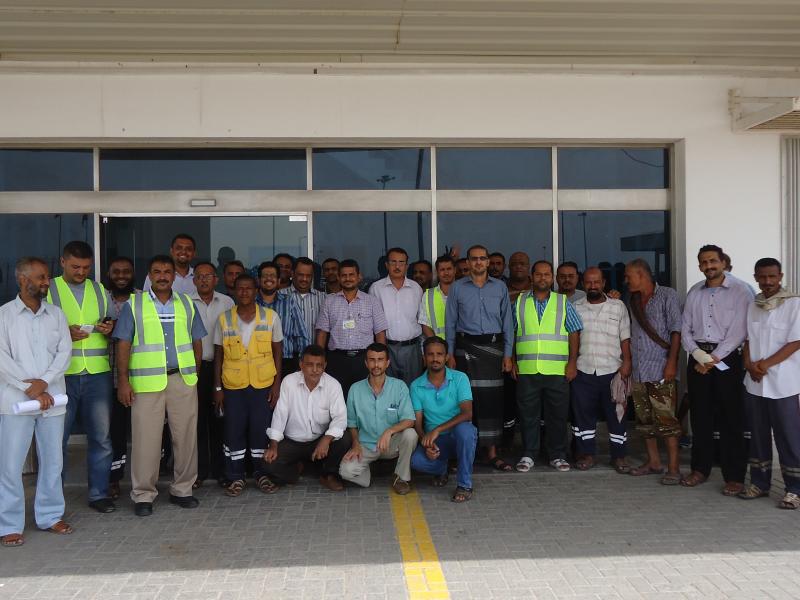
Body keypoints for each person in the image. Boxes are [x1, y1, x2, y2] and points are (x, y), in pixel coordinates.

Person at [115, 254, 206, 517]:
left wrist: (194, 375)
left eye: (168, 272)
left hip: (182, 380)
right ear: (149, 275)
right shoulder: (135, 304)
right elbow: (123, 343)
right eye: (157, 272)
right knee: (146, 440)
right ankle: (144, 494)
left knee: (186, 437)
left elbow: (196, 342)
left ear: (174, 276)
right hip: (146, 383)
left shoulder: (187, 303)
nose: (163, 276)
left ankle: (183, 489)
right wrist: (123, 381)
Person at [0, 257, 73, 547]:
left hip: (53, 397)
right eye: (41, 278)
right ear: (22, 279)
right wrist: (28, 387)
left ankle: (50, 515)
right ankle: (9, 524)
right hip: (15, 401)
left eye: (47, 278)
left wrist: (44, 383)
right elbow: (2, 359)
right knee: (11, 464)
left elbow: (64, 352)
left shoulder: (56, 315)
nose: (46, 282)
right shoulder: (4, 316)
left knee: (53, 461)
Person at [46, 240, 116, 513]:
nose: (81, 272)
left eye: (86, 267)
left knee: (101, 438)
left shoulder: (99, 289)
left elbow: (110, 320)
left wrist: (107, 327)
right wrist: (64, 332)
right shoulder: (49, 289)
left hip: (97, 373)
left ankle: (98, 494)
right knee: (57, 440)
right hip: (62, 375)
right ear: (62, 262)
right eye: (75, 266)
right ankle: (53, 499)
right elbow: (38, 328)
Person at [681, 244, 752, 494]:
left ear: (723, 262)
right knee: (700, 417)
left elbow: (740, 330)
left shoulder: (741, 291)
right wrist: (700, 356)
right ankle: (700, 469)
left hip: (728, 360)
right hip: (698, 358)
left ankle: (734, 476)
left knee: (731, 418)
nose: (708, 266)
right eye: (703, 262)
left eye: (713, 261)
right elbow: (685, 328)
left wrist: (714, 358)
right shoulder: (695, 292)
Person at [445, 244, 514, 471]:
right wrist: (450, 353)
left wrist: (507, 354)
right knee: (466, 400)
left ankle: (492, 453)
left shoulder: (500, 287)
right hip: (465, 349)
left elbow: (507, 324)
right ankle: (466, 453)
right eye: (474, 259)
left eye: (482, 258)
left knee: (492, 402)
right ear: (468, 261)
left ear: (487, 261)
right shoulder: (457, 287)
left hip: (493, 351)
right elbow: (450, 323)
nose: (478, 262)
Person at [214, 274, 282, 497]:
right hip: (233, 385)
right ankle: (236, 477)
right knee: (233, 431)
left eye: (249, 288)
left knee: (260, 430)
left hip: (262, 384)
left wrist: (276, 384)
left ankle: (262, 474)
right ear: (233, 291)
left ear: (256, 291)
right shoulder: (224, 319)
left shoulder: (271, 317)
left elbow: (277, 352)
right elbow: (218, 355)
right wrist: (217, 388)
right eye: (240, 289)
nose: (244, 292)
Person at [739, 258, 800, 509]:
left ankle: (794, 489)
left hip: (783, 384)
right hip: (754, 383)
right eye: (762, 277)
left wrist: (764, 365)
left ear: (780, 276)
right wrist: (748, 365)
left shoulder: (793, 304)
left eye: (772, 277)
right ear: (755, 277)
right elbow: (748, 341)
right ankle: (760, 483)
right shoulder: (754, 305)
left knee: (788, 436)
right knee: (757, 434)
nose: (767, 282)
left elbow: (795, 342)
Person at [513, 260, 582, 473]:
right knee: (528, 415)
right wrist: (513, 360)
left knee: (557, 415)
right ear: (532, 277)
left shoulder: (562, 302)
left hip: (557, 370)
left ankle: (557, 455)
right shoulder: (519, 302)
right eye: (539, 274)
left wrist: (572, 363)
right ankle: (529, 454)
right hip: (527, 369)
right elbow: (513, 333)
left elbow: (574, 331)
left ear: (552, 278)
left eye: (547, 275)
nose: (543, 278)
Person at [625, 258, 683, 485]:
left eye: (629, 276)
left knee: (667, 421)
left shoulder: (667, 295)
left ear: (642, 275)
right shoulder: (633, 300)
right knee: (645, 420)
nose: (626, 280)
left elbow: (676, 331)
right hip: (639, 370)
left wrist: (671, 363)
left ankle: (674, 468)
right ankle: (654, 462)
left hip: (660, 368)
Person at [264, 345, 351, 491]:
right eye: (310, 365)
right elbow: (280, 415)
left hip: (318, 440)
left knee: (344, 439)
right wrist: (273, 445)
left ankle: (327, 475)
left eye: (319, 365)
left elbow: (340, 419)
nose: (315, 370)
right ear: (301, 365)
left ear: (325, 366)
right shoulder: (289, 382)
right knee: (268, 463)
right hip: (292, 441)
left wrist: (326, 439)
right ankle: (297, 471)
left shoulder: (333, 385)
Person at [571, 267, 632, 472]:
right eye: (588, 282)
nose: (593, 286)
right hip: (583, 370)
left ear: (604, 283)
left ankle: (619, 456)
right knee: (583, 416)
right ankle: (587, 454)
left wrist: (627, 363)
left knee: (617, 415)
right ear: (583, 284)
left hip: (613, 370)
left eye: (596, 282)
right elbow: (572, 339)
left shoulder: (618, 306)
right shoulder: (575, 307)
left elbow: (625, 337)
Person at [339, 343, 417, 494]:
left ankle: (401, 477)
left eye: (380, 360)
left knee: (411, 435)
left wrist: (389, 431)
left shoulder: (399, 387)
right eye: (372, 360)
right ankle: (365, 472)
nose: (376, 364)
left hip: (391, 443)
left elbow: (409, 420)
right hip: (366, 445)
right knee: (346, 471)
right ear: (366, 363)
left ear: (387, 363)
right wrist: (355, 444)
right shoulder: (355, 389)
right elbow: (352, 424)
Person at [410, 336, 478, 503]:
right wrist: (425, 442)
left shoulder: (460, 378)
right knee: (416, 461)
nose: (435, 358)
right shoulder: (416, 385)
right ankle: (442, 469)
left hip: (457, 437)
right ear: (424, 358)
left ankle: (464, 484)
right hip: (436, 442)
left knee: (466, 430)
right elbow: (417, 423)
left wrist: (437, 429)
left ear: (447, 357)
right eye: (430, 354)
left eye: (440, 354)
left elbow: (467, 413)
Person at [190, 261, 234, 488]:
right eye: (199, 276)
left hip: (222, 368)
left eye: (208, 276)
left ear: (216, 279)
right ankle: (198, 472)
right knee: (196, 423)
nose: (204, 280)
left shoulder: (227, 302)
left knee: (220, 421)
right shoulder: (185, 302)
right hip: (194, 370)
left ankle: (221, 471)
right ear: (193, 280)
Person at [315, 259, 388, 397]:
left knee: (364, 399)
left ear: (359, 276)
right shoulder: (329, 301)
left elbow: (380, 333)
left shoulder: (371, 301)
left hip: (364, 360)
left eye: (351, 274)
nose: (348, 278)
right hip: (336, 360)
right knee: (336, 399)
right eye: (344, 275)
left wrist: (380, 360)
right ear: (338, 277)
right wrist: (320, 359)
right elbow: (322, 333)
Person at [107, 256, 139, 500]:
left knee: (144, 431)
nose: (121, 276)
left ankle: (149, 477)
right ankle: (114, 479)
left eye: (126, 272)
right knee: (114, 432)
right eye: (116, 271)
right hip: (106, 376)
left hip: (140, 375)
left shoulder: (143, 299)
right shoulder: (100, 299)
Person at [369, 247, 424, 386]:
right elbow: (373, 322)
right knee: (388, 389)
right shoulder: (376, 288)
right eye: (393, 262)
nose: (397, 266)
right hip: (387, 347)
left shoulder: (416, 288)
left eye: (401, 262)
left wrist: (423, 351)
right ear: (386, 265)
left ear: (407, 266)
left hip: (412, 348)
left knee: (413, 389)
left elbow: (422, 320)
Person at [257, 261, 308, 374]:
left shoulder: (289, 301)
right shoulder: (251, 303)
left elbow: (301, 335)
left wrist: (303, 362)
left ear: (279, 281)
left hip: (287, 361)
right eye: (265, 276)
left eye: (273, 276)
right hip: (257, 361)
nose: (269, 279)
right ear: (258, 280)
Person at [278, 257, 325, 375]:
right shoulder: (280, 296)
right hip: (287, 359)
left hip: (315, 360)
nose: (304, 279)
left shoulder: (323, 298)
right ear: (292, 273)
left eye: (308, 276)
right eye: (300, 275)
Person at [418, 255, 456, 339]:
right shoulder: (428, 295)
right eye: (442, 270)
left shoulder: (464, 293)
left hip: (462, 347)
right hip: (437, 348)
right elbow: (425, 324)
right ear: (437, 272)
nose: (446, 273)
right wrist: (438, 345)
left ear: (455, 270)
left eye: (449, 269)